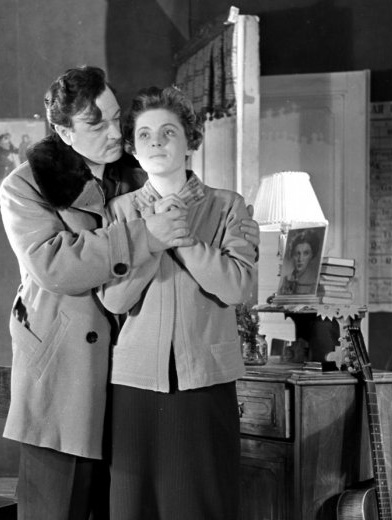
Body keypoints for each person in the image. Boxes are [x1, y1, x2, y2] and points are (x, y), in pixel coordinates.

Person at [0, 66, 260, 520]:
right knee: (58, 509)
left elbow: (218, 250)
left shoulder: (139, 171)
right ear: (64, 132)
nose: (114, 133)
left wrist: (225, 235)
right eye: (95, 124)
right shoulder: (26, 185)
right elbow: (55, 267)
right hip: (69, 377)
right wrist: (149, 235)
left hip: (133, 381)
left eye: (116, 118)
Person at [98, 85, 257, 520]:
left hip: (205, 382)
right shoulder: (119, 211)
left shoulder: (228, 206)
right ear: (132, 148)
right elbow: (114, 299)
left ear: (190, 141)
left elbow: (236, 288)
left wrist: (180, 238)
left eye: (168, 132)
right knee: (135, 508)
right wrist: (152, 237)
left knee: (202, 505)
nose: (156, 143)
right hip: (134, 385)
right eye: (145, 135)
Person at [278, 229, 320, 295]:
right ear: (292, 255)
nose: (300, 259)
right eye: (297, 253)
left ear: (312, 256)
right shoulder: (285, 280)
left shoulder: (315, 282)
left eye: (306, 253)